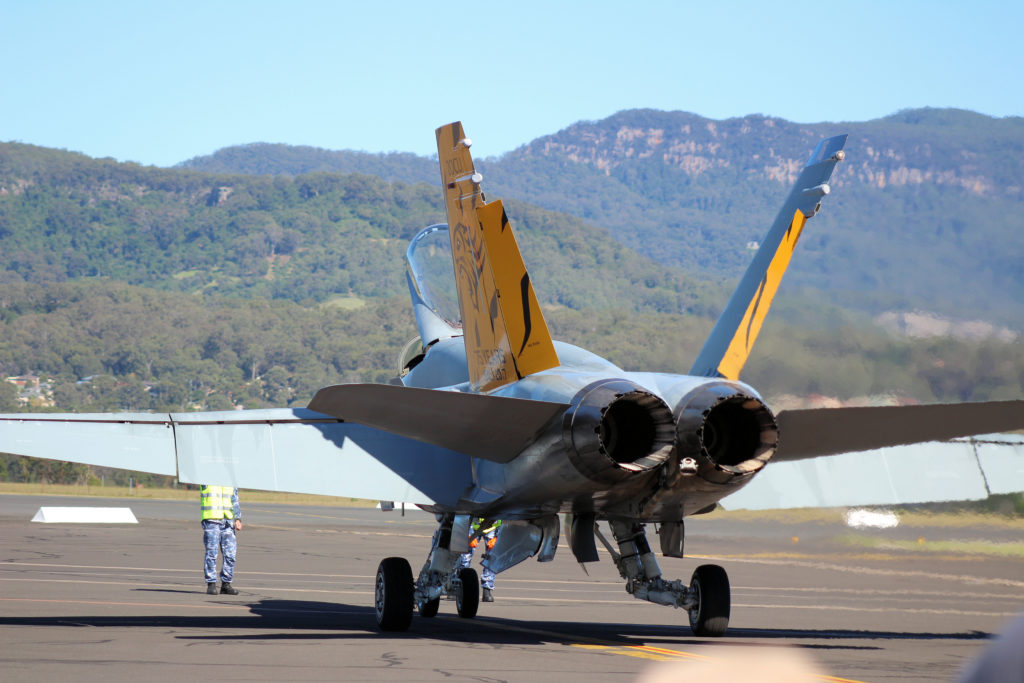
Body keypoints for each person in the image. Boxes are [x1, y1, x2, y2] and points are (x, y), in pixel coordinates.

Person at [200, 484, 242, 595]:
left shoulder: (230, 480)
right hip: (212, 520)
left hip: (227, 521)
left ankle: (226, 584)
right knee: (212, 553)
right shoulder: (206, 477)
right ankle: (211, 583)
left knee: (230, 554)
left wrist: (238, 518)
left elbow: (235, 499)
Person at [459, 518, 501, 602]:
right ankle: (459, 585)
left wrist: (497, 535)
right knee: (464, 556)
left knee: (492, 557)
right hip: (472, 525)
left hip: (493, 527)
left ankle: (487, 589)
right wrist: (466, 533)